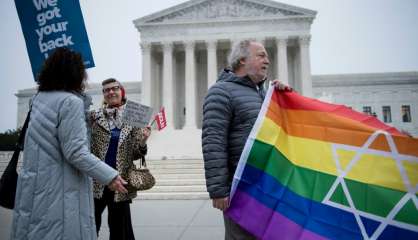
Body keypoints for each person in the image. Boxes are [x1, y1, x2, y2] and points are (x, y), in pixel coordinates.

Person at [10, 47, 127, 240]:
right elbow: (76, 152)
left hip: (34, 187)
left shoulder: (38, 100)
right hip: (61, 189)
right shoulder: (70, 102)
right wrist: (110, 176)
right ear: (75, 73)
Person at [202, 40, 290, 239]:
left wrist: (285, 99)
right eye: (261, 55)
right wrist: (218, 189)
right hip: (241, 188)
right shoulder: (221, 91)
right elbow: (213, 142)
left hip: (267, 185)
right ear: (242, 60)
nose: (267, 60)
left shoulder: (264, 94)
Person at [90, 78, 151, 240]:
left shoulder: (134, 116)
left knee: (119, 229)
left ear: (121, 91)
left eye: (114, 88)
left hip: (120, 181)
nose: (111, 92)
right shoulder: (94, 117)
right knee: (89, 225)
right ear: (103, 95)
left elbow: (136, 154)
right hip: (97, 179)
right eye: (106, 90)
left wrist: (143, 141)